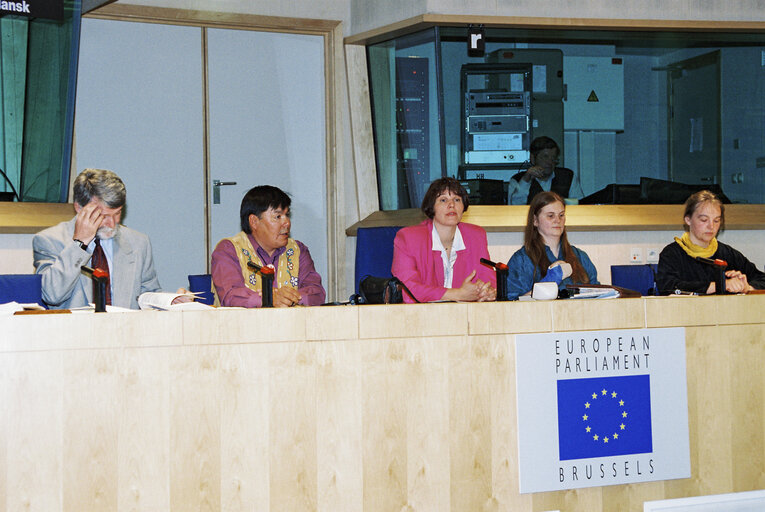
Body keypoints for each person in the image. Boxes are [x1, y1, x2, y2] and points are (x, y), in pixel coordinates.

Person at [33, 168, 178, 309]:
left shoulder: (138, 243)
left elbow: (148, 295)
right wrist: (79, 244)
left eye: (117, 213)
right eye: (103, 215)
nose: (112, 223)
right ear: (79, 208)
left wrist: (171, 301)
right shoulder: (49, 240)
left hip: (125, 330)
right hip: (75, 332)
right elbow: (51, 296)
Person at [211, 185, 325, 307]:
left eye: (287, 215)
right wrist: (269, 300)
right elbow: (231, 296)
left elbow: (316, 292)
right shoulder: (229, 249)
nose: (286, 222)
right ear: (254, 221)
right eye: (278, 216)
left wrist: (289, 298)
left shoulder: (298, 250)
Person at [391, 177, 497, 303]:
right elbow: (406, 289)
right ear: (432, 207)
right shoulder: (409, 238)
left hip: (463, 315)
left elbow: (488, 279)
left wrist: (488, 291)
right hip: (421, 316)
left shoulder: (475, 235)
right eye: (443, 200)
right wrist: (457, 294)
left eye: (457, 200)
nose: (451, 205)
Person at [656, 190, 765, 294]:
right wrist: (720, 285)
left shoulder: (728, 253)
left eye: (716, 220)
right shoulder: (672, 254)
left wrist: (746, 287)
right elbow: (668, 287)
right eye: (704, 220)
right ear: (688, 220)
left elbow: (762, 279)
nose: (711, 226)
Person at [506, 191, 598, 299]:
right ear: (535, 221)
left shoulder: (581, 257)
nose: (557, 220)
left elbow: (598, 295)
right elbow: (513, 303)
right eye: (550, 216)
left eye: (561, 215)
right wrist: (549, 281)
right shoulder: (521, 260)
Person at [507, 136, 583, 205]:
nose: (550, 162)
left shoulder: (568, 177)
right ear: (533, 158)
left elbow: (579, 204)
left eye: (553, 158)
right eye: (545, 157)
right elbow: (515, 206)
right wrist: (525, 181)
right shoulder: (517, 180)